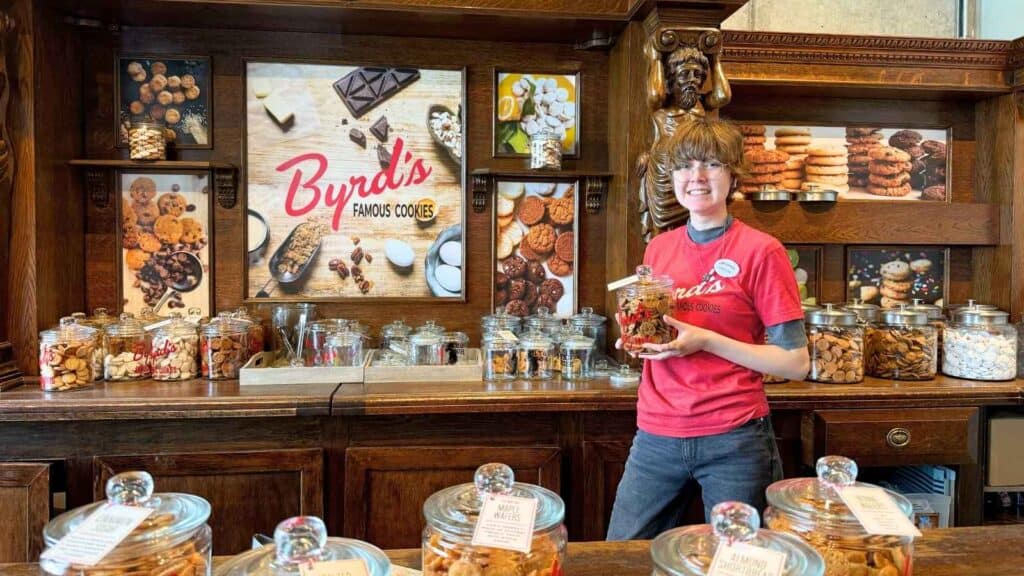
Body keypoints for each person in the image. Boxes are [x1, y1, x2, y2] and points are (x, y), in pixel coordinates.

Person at [607, 117, 809, 540]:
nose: (695, 177)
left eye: (711, 165)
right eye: (684, 166)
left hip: (734, 437)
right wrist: (637, 337)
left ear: (733, 174)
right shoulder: (659, 247)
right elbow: (653, 323)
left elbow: (795, 363)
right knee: (621, 555)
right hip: (656, 435)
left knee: (739, 562)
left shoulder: (762, 251)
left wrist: (706, 341)